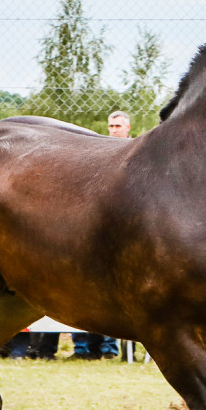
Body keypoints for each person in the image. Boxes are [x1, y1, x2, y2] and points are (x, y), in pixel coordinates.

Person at [71, 109, 132, 360]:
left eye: (118, 126)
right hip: (94, 234)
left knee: (114, 294)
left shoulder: (136, 153)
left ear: (128, 128)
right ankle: (84, 348)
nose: (114, 130)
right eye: (111, 126)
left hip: (124, 236)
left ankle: (109, 349)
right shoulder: (100, 154)